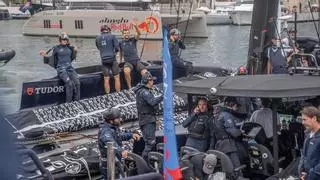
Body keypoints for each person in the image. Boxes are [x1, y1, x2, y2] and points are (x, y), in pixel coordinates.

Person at [98, 107, 141, 179]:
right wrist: (121, 151)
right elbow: (110, 142)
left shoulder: (112, 128)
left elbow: (118, 136)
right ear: (111, 121)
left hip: (115, 161)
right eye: (118, 118)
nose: (120, 119)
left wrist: (131, 135)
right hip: (109, 164)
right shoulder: (106, 131)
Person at [40, 32, 80, 103]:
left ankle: (76, 102)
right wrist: (44, 55)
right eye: (63, 39)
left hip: (70, 68)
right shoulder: (56, 48)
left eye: (66, 39)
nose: (64, 40)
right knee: (69, 84)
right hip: (61, 69)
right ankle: (68, 104)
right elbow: (48, 55)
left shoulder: (70, 48)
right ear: (60, 40)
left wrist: (76, 51)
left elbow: (73, 56)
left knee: (77, 83)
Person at [133, 72, 162, 161]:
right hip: (147, 121)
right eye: (152, 80)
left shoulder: (142, 91)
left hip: (147, 119)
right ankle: (143, 163)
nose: (153, 82)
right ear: (148, 81)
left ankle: (149, 162)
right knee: (150, 143)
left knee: (150, 143)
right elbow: (152, 101)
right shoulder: (144, 92)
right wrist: (163, 96)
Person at [213, 97, 247, 167]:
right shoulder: (226, 115)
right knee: (236, 167)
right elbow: (233, 132)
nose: (237, 109)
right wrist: (241, 132)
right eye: (236, 106)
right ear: (231, 104)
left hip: (220, 145)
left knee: (227, 167)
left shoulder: (219, 114)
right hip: (229, 146)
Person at [119, 19, 148, 89]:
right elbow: (120, 52)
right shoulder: (120, 43)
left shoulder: (133, 40)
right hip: (128, 62)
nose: (126, 34)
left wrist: (135, 26)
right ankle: (130, 88)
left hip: (137, 61)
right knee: (126, 72)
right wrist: (120, 61)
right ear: (123, 34)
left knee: (145, 72)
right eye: (125, 33)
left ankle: (144, 86)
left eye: (127, 33)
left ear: (129, 34)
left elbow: (139, 34)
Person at [96, 25, 121, 94]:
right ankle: (118, 94)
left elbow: (99, 48)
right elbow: (117, 48)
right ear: (109, 30)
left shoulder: (97, 38)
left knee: (106, 79)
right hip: (112, 59)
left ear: (101, 30)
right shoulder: (112, 36)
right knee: (116, 77)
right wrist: (115, 53)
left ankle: (108, 95)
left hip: (104, 60)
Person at [298, 106, 320, 180]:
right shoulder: (307, 134)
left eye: (305, 120)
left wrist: (310, 175)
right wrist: (300, 170)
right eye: (302, 120)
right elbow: (304, 155)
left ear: (314, 118)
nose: (302, 122)